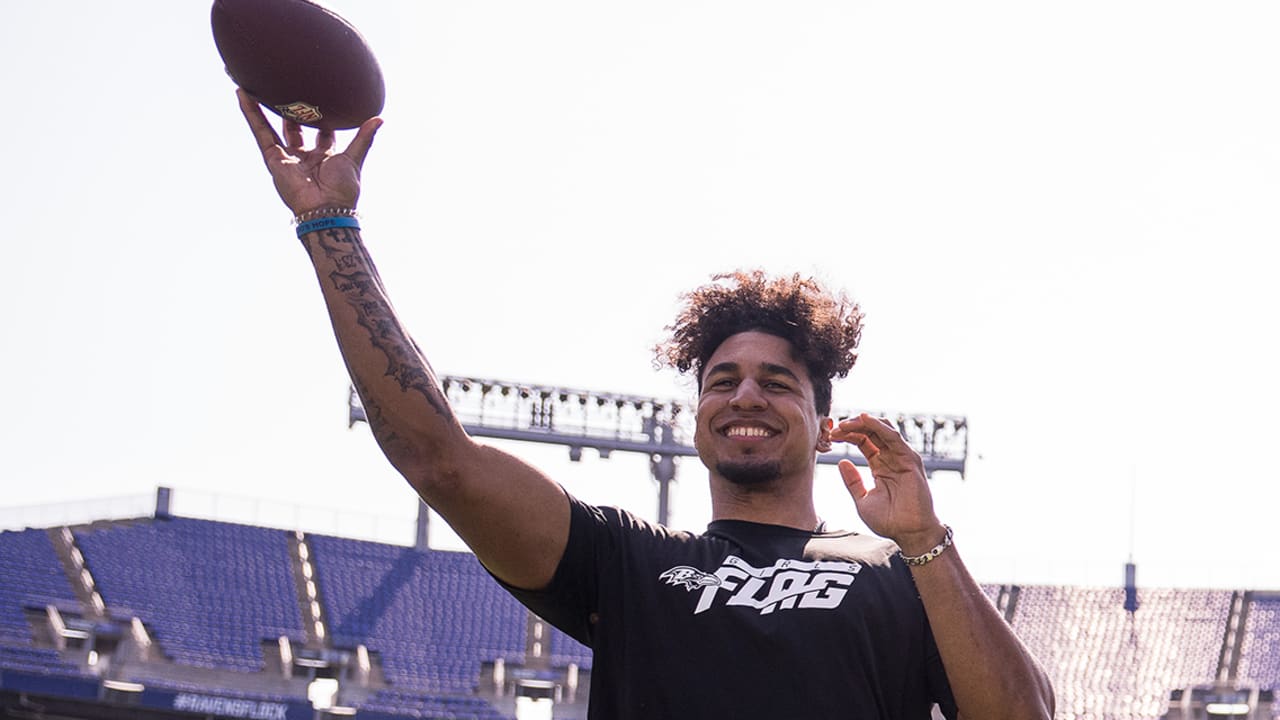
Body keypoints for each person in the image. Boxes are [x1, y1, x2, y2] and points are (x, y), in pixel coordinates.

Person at [237, 90, 1054, 719]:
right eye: (721, 379)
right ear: (696, 416)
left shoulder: (900, 572)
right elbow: (438, 458)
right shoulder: (626, 563)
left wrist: (926, 541)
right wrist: (328, 223)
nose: (745, 395)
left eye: (777, 381)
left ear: (824, 422)